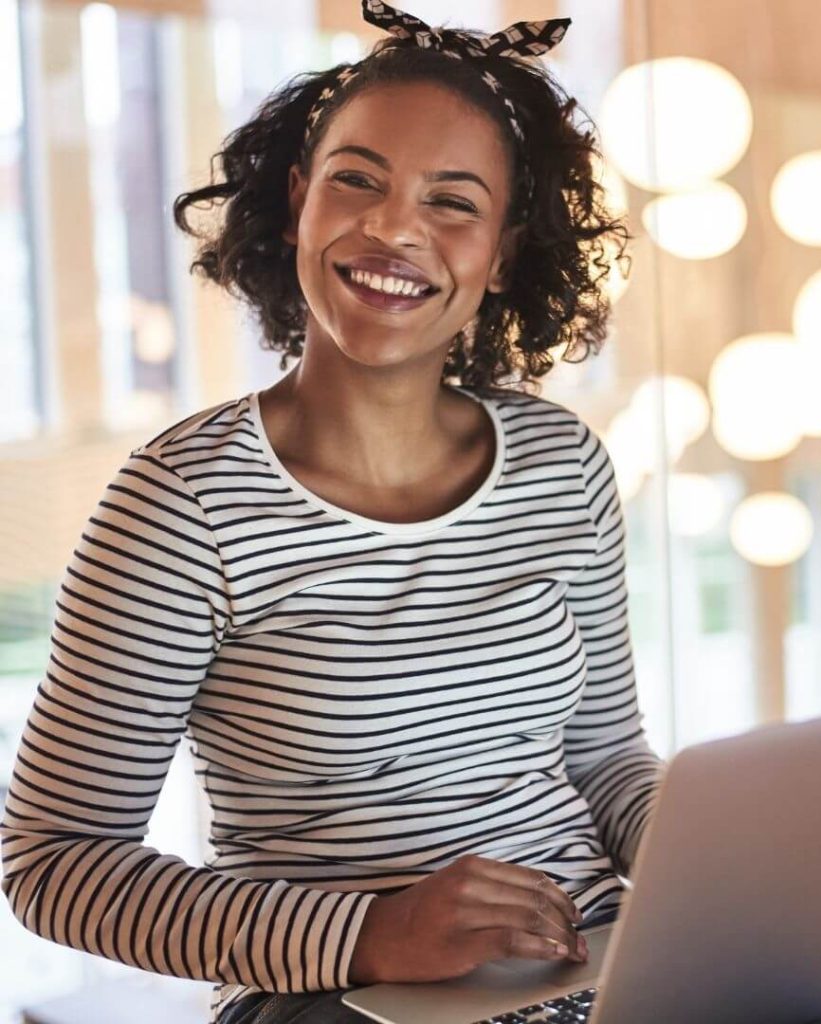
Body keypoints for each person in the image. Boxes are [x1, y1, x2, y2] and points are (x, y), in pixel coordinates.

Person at [1, 3, 664, 1022]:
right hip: (339, 996)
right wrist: (372, 932)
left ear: (501, 253)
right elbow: (54, 863)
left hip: (600, 955)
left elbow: (606, 756)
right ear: (299, 200)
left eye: (453, 203)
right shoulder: (182, 505)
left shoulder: (559, 462)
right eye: (358, 180)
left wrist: (713, 866)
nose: (395, 228)